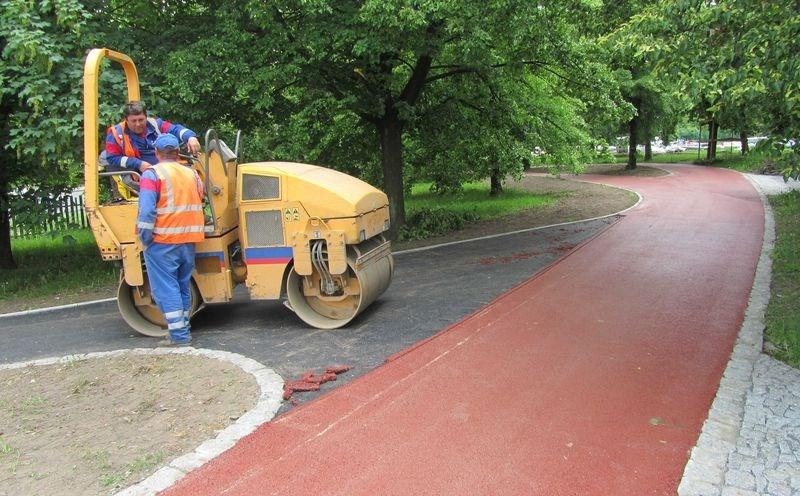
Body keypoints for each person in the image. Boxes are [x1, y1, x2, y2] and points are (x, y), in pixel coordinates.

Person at [137, 134, 205, 346]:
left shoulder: (152, 174)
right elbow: (200, 199)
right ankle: (183, 328)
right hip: (188, 240)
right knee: (182, 286)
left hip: (163, 241)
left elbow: (147, 211)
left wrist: (145, 238)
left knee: (167, 289)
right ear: (177, 152)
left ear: (157, 153)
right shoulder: (192, 174)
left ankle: (179, 337)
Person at [105, 101, 201, 193]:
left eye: (141, 120)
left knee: (194, 175)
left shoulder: (155, 124)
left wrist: (190, 137)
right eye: (133, 121)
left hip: (169, 171)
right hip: (141, 177)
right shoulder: (116, 133)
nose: (138, 124)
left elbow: (175, 129)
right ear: (126, 120)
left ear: (146, 117)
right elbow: (112, 158)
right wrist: (138, 164)